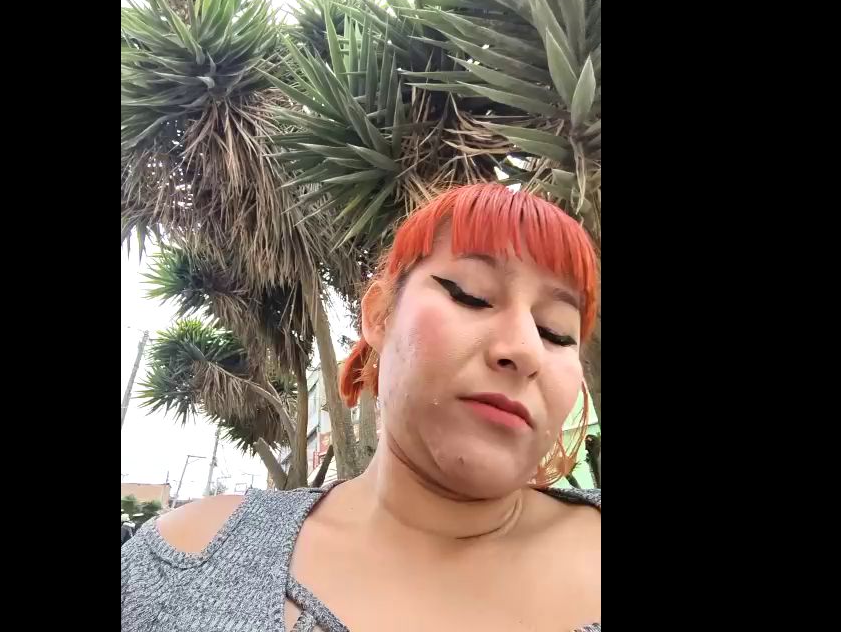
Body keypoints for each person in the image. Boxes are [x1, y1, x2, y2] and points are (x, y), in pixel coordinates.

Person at [122, 183, 601, 631]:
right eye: (472, 296)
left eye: (556, 332)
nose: (525, 349)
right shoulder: (185, 560)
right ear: (379, 315)